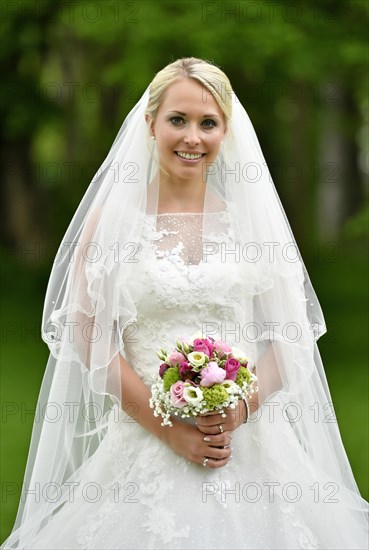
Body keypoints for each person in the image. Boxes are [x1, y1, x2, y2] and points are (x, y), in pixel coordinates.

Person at [2, 57, 368, 550]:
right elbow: (89, 339)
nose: (192, 137)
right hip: (144, 443)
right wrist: (169, 429)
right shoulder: (113, 223)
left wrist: (237, 412)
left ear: (226, 133)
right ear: (150, 124)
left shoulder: (250, 226)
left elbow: (291, 338)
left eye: (208, 123)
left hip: (247, 445)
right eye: (178, 120)